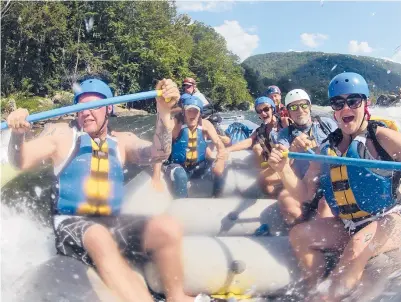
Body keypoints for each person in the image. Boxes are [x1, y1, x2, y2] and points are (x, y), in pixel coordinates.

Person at [7, 78, 194, 302]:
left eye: (93, 107)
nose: (85, 113)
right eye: (80, 108)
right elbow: (21, 161)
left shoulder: (122, 141)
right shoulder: (62, 139)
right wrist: (18, 135)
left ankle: (176, 297)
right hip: (71, 224)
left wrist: (163, 114)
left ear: (109, 109)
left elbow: (159, 154)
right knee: (98, 235)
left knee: (167, 227)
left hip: (112, 222)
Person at [268, 72, 401, 301]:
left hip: (391, 219)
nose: (346, 107)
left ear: (365, 103)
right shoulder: (326, 149)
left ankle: (326, 298)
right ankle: (316, 289)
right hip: (351, 223)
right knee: (300, 235)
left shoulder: (382, 137)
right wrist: (283, 169)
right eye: (339, 103)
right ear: (333, 109)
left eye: (353, 101)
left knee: (358, 245)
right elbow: (305, 193)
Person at [275, 88, 338, 225]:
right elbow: (284, 161)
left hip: (330, 182)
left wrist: (318, 146)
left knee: (324, 205)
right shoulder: (285, 134)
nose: (300, 110)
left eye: (303, 105)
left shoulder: (325, 124)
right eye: (294, 107)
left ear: (309, 107)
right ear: (288, 111)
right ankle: (304, 224)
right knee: (285, 200)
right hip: (303, 184)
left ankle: (316, 226)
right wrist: (292, 149)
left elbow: (342, 145)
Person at [164, 94, 226, 198]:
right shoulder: (175, 124)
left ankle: (216, 198)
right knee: (180, 175)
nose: (192, 114)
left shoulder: (206, 124)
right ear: (183, 112)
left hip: (199, 165)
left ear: (200, 114)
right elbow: (161, 141)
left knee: (219, 170)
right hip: (178, 165)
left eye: (195, 111)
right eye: (189, 111)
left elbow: (220, 147)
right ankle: (182, 204)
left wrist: (220, 161)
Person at [224, 96, 286, 195]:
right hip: (273, 165)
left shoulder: (284, 122)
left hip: (288, 164)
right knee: (257, 147)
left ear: (273, 109)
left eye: (266, 109)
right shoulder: (260, 130)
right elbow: (248, 141)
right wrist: (227, 150)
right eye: (259, 111)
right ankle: (270, 192)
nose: (263, 113)